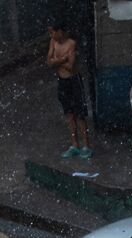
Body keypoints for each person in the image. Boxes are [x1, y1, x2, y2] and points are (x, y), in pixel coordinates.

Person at [46, 22, 91, 159]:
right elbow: (48, 62)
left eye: (52, 32)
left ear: (60, 31)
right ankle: (74, 145)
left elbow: (71, 66)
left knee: (80, 114)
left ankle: (86, 146)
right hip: (62, 81)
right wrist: (63, 58)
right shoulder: (53, 42)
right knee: (69, 114)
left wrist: (56, 60)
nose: (51, 35)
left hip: (74, 81)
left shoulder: (71, 44)